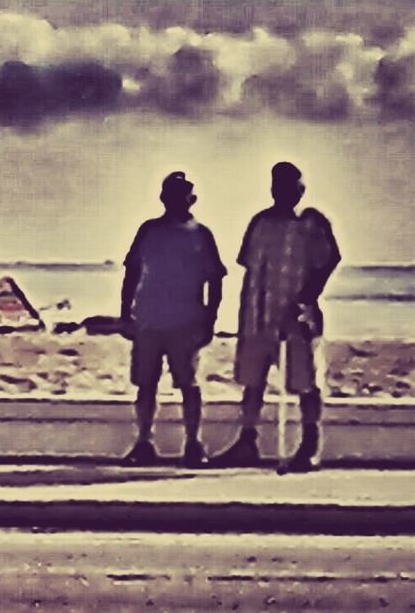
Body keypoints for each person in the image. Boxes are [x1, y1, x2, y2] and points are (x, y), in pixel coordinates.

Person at [210, 161, 340, 473]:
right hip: (257, 316)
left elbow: (330, 259)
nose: (283, 192)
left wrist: (307, 297)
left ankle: (310, 445)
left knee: (305, 382)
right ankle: (247, 441)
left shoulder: (312, 223)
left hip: (296, 317)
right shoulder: (260, 222)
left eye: (290, 186)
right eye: (277, 185)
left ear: (301, 190)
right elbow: (248, 264)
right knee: (252, 382)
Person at [120, 170, 226, 467]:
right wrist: (125, 314)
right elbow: (131, 272)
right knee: (146, 385)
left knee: (189, 385)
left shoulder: (201, 234)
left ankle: (193, 443)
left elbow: (215, 280)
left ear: (192, 199)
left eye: (183, 194)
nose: (177, 200)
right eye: (172, 194)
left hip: (186, 322)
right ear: (163, 197)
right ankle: (144, 442)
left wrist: (210, 321)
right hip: (149, 320)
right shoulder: (148, 230)